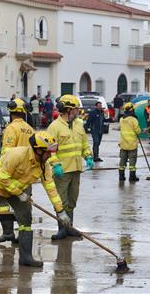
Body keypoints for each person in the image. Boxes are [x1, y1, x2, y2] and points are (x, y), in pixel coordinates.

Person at [0, 132, 71, 268]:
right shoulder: (17, 155)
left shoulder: (44, 165)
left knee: (26, 220)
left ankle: (26, 257)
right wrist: (19, 193)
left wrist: (60, 211)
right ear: (38, 150)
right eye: (47, 152)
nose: (50, 156)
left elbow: (51, 188)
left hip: (18, 190)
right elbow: (3, 178)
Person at [0, 98, 38, 245]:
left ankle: (8, 233)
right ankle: (24, 236)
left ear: (11, 112)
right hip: (26, 175)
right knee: (23, 206)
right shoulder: (30, 129)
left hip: (11, 173)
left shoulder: (11, 128)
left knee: (3, 202)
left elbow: (7, 152)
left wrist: (0, 168)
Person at [47, 95, 93, 240]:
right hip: (62, 170)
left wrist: (88, 156)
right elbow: (49, 150)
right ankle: (62, 228)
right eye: (75, 109)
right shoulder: (54, 127)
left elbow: (84, 143)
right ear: (67, 110)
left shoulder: (79, 124)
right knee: (61, 201)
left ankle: (69, 227)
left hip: (76, 169)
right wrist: (55, 165)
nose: (77, 112)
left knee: (72, 200)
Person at [119, 102, 141, 182]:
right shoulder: (134, 120)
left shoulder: (121, 119)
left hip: (123, 144)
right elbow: (138, 131)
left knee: (122, 161)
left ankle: (121, 177)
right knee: (132, 162)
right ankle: (132, 177)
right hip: (132, 145)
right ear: (132, 110)